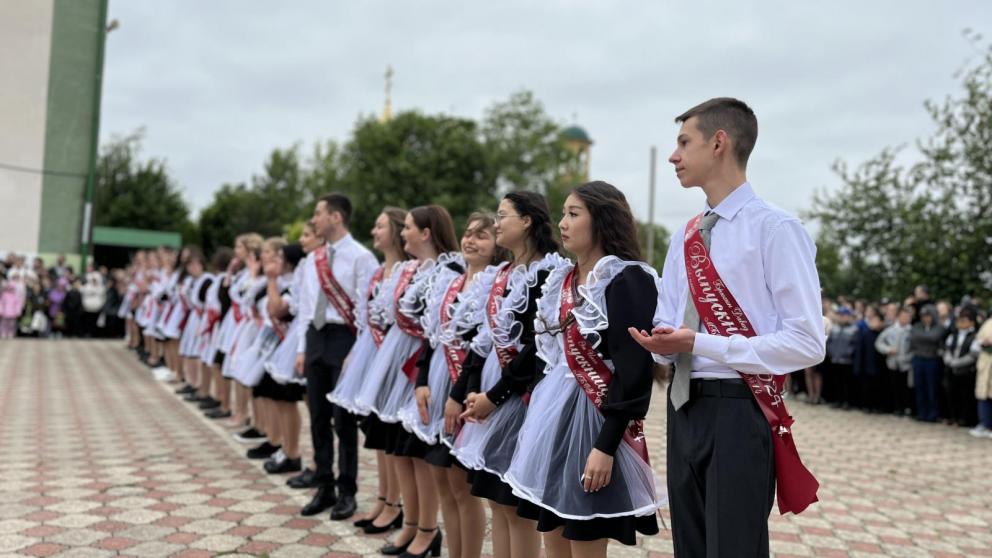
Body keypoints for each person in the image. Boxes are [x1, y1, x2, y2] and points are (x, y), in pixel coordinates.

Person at [630, 98, 825, 557]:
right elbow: (670, 319)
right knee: (692, 548)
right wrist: (659, 344)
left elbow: (807, 341)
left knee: (733, 548)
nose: (674, 156)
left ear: (719, 143)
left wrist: (701, 342)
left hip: (741, 410)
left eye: (683, 142)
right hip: (684, 408)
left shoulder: (776, 230)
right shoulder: (686, 235)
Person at [504, 182, 663, 556]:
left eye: (574, 214)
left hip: (596, 424)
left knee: (585, 538)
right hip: (553, 418)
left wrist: (605, 447)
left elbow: (634, 372)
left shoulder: (627, 279)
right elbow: (548, 356)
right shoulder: (562, 279)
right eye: (563, 213)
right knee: (551, 530)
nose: (562, 222)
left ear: (603, 221)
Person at [453, 192, 563, 558]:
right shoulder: (501, 273)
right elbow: (482, 338)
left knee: (516, 508)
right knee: (495, 502)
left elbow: (537, 350)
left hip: (522, 399)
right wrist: (472, 390)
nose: (497, 223)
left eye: (503, 215)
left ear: (528, 221)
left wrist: (494, 396)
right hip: (489, 397)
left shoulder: (549, 272)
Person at [295, 193, 379, 520]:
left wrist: (356, 352)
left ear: (335, 217)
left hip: (344, 339)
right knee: (317, 416)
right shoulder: (312, 260)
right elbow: (305, 305)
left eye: (318, 214)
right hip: (316, 337)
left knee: (343, 421)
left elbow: (365, 309)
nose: (314, 220)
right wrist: (302, 348)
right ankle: (324, 484)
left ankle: (347, 490)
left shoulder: (361, 258)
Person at [909, 304, 947, 422]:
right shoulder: (917, 326)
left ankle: (933, 413)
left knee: (932, 388)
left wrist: (922, 338)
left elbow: (934, 337)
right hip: (918, 359)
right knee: (920, 387)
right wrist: (926, 338)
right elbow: (913, 337)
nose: (925, 319)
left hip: (932, 360)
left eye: (928, 316)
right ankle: (922, 412)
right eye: (923, 316)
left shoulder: (939, 327)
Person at [943, 307, 979, 427]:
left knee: (966, 396)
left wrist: (956, 362)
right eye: (959, 320)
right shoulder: (953, 335)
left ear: (971, 322)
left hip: (966, 371)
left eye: (963, 320)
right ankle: (954, 416)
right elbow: (947, 349)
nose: (960, 323)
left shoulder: (975, 336)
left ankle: (965, 419)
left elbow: (973, 355)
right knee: (952, 394)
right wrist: (949, 360)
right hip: (952, 370)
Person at [876, 306, 915, 415]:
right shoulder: (890, 330)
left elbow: (915, 348)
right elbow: (879, 343)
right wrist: (888, 350)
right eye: (903, 316)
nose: (905, 319)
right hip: (892, 363)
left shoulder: (911, 331)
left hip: (906, 364)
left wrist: (908, 357)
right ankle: (897, 407)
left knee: (906, 387)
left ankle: (907, 407)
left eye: (907, 317)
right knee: (895, 386)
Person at [972, 310, 992, 438]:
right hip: (985, 365)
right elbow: (975, 345)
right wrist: (983, 343)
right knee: (983, 396)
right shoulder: (988, 324)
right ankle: (984, 424)